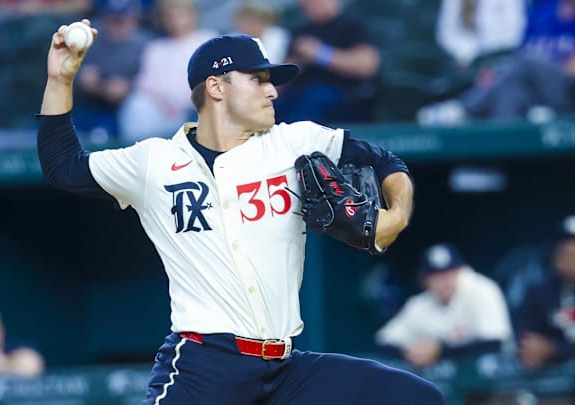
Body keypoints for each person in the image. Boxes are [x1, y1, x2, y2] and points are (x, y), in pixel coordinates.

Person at [37, 19, 444, 404]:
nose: (272, 92)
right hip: (204, 365)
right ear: (216, 87)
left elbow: (385, 161)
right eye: (258, 79)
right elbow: (62, 166)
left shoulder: (294, 141)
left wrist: (397, 214)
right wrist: (61, 79)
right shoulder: (153, 162)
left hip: (287, 370)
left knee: (417, 397)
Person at [418, 0, 575, 125]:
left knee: (526, 61)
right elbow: (523, 45)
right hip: (535, 87)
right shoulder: (544, 11)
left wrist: (549, 69)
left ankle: (465, 108)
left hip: (567, 89)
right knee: (510, 93)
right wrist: (499, 72)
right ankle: (499, 159)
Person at [376, 243, 512, 368]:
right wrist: (409, 352)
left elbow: (495, 342)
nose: (445, 281)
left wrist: (439, 351)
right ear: (424, 280)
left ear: (460, 271)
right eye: (437, 276)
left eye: (450, 273)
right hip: (452, 386)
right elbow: (384, 341)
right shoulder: (419, 304)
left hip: (500, 383)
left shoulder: (483, 290)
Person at [117, 0, 216, 142]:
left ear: (193, 15)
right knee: (137, 105)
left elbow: (211, 77)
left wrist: (185, 102)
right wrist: (163, 102)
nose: (175, 21)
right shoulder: (156, 48)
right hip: (160, 108)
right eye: (170, 16)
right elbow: (145, 82)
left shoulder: (207, 40)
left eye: (180, 15)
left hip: (194, 107)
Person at [275, 0, 380, 125]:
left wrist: (321, 54)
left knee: (313, 98)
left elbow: (367, 66)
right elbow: (286, 72)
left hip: (342, 93)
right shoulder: (301, 32)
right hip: (297, 91)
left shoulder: (352, 26)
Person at [72, 0, 151, 140]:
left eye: (123, 20)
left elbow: (152, 81)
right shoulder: (93, 38)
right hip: (91, 104)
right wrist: (84, 77)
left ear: (135, 18)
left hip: (128, 108)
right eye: (113, 20)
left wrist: (130, 87)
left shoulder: (145, 43)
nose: (118, 25)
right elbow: (82, 79)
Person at [516, 215, 575, 369]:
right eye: (565, 248)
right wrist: (533, 348)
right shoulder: (540, 291)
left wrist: (555, 349)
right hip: (553, 377)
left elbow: (553, 349)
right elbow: (525, 334)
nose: (569, 253)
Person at [435, 0, 526, 69]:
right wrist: (469, 51)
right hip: (468, 64)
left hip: (500, 60)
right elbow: (446, 32)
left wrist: (485, 48)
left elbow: (515, 34)